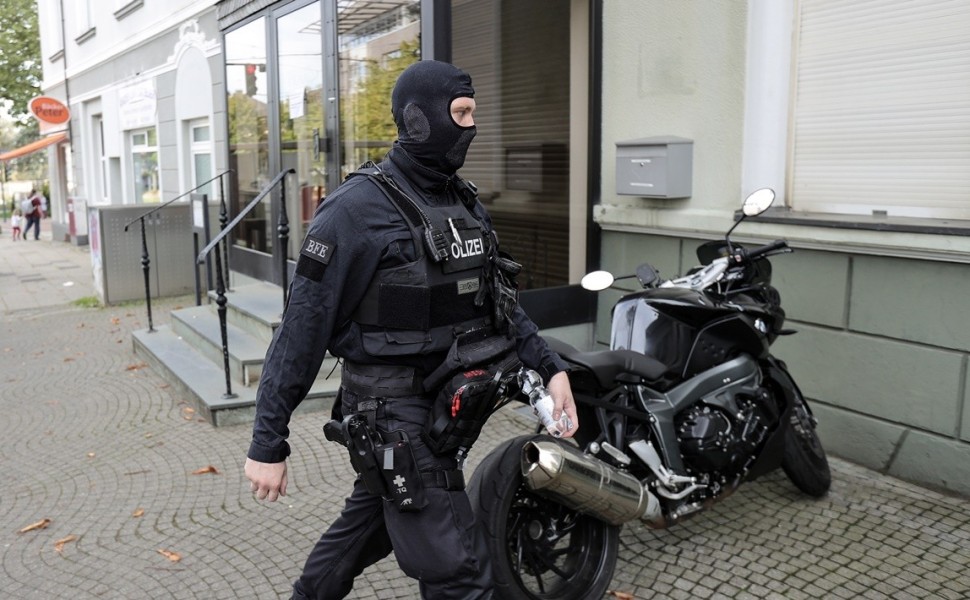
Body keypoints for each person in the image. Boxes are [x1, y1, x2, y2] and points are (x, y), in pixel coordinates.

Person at [244, 60, 579, 600]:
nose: (471, 127)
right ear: (419, 119)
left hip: (446, 409)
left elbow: (500, 301)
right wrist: (268, 442)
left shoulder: (462, 201)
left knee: (369, 524)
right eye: (461, 113)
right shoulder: (353, 211)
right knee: (460, 573)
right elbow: (300, 332)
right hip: (392, 418)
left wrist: (548, 366)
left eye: (473, 113)